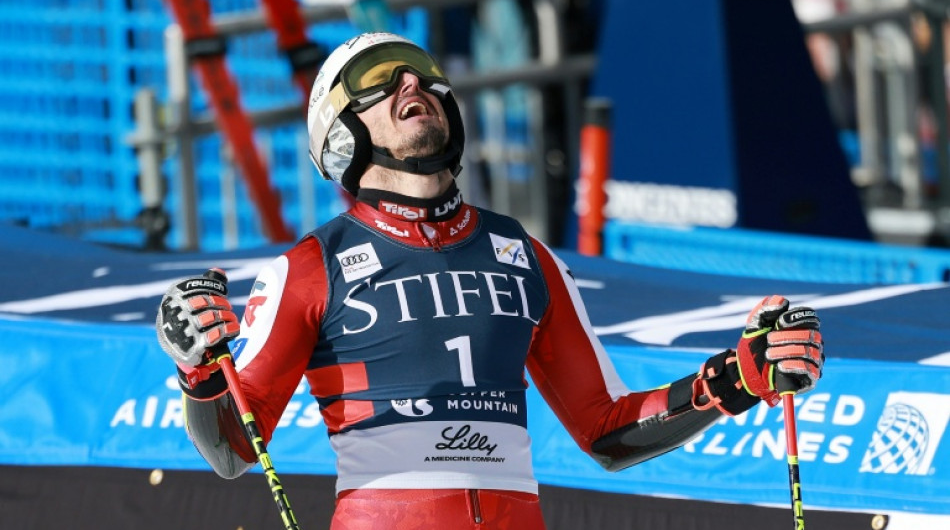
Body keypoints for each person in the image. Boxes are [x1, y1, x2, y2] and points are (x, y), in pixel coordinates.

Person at [156, 32, 824, 529]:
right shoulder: (309, 268)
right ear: (339, 134)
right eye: (381, 80)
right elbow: (235, 450)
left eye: (422, 74)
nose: (412, 84)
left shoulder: (523, 254)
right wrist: (198, 370)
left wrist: (733, 381)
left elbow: (608, 429)